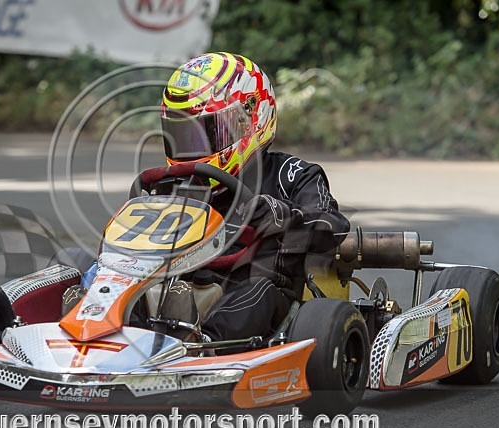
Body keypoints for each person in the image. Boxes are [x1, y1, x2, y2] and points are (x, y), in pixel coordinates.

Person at [136, 51, 351, 341]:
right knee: (119, 274)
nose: (193, 149)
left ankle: (204, 344)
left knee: (257, 291)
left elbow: (332, 225)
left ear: (252, 120)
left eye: (205, 133)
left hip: (259, 293)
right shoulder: (175, 185)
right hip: (180, 285)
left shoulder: (291, 174)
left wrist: (284, 216)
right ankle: (98, 325)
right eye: (184, 136)